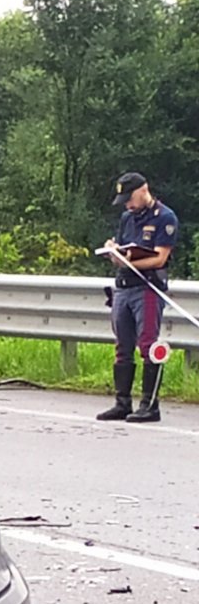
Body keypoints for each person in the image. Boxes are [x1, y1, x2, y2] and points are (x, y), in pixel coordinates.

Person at [97, 171, 178, 424]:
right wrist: (113, 252)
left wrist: (130, 260)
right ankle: (122, 402)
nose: (128, 206)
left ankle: (149, 405)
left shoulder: (165, 217)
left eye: (130, 199)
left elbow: (160, 258)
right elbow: (122, 252)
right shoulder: (127, 218)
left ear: (143, 190)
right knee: (122, 345)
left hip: (147, 289)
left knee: (147, 344)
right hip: (123, 287)